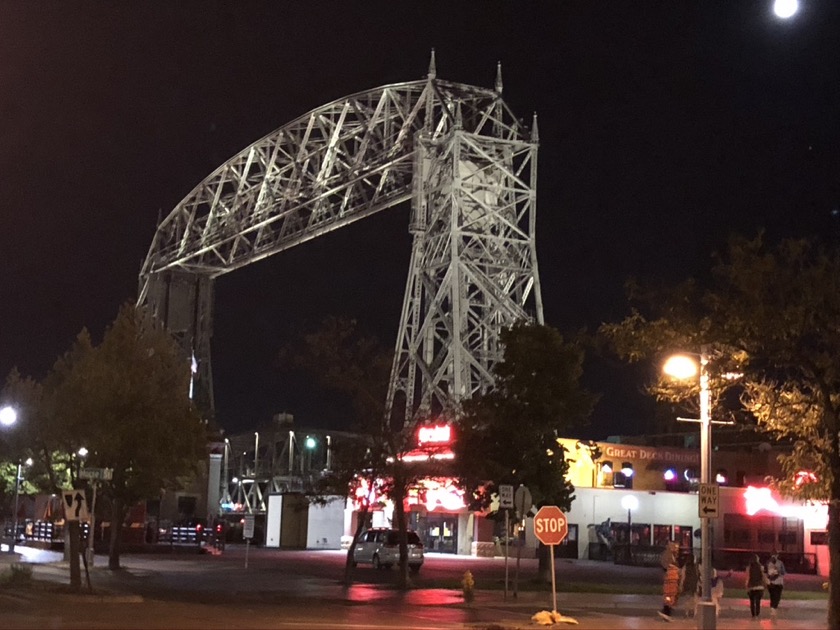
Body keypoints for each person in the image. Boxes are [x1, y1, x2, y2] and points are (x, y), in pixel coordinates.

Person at [658, 542, 682, 622]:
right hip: (670, 579)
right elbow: (665, 565)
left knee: (671, 595)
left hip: (673, 579)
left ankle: (667, 611)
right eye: (676, 547)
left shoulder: (672, 556)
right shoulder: (668, 556)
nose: (677, 549)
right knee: (669, 596)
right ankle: (666, 612)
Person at [745, 554, 767, 618]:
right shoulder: (761, 567)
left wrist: (746, 586)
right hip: (760, 587)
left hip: (752, 587)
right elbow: (763, 577)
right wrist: (765, 584)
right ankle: (757, 613)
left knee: (752, 601)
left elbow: (748, 578)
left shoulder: (749, 568)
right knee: (758, 601)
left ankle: (753, 614)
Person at [765, 552, 786, 617]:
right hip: (773, 582)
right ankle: (773, 608)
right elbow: (765, 572)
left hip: (776, 582)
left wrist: (777, 572)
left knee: (776, 596)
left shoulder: (779, 563)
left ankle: (773, 608)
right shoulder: (769, 563)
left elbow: (783, 572)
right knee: (774, 596)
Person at [680, 553, 699, 618]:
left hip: (687, 585)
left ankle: (687, 613)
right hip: (694, 585)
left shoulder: (685, 567)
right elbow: (698, 576)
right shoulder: (696, 567)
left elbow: (683, 577)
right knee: (695, 600)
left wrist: (681, 585)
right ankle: (694, 613)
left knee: (687, 600)